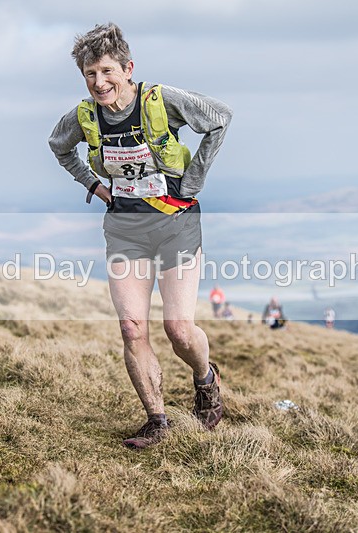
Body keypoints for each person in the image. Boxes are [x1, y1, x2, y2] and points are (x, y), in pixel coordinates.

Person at [48, 23, 233, 450]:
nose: (100, 82)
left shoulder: (159, 101)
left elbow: (220, 118)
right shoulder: (84, 116)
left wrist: (193, 180)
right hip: (124, 229)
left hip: (176, 223)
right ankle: (158, 420)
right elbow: (59, 147)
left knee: (178, 329)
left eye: (108, 71)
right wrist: (92, 185)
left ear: (128, 68)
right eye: (90, 74)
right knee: (132, 328)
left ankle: (205, 379)